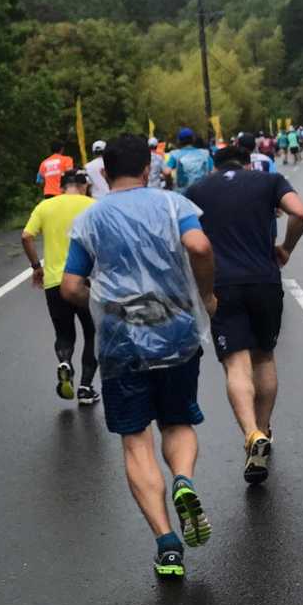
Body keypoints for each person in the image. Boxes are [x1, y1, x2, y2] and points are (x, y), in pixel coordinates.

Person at [61, 134, 217, 580]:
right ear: (148, 168)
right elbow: (200, 247)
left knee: (135, 439)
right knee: (177, 422)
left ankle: (167, 546)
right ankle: (183, 479)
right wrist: (206, 296)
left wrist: (101, 305)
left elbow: (70, 287)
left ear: (105, 173)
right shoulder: (173, 204)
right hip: (176, 332)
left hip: (120, 339)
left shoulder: (91, 218)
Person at [187, 145, 303, 485]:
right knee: (264, 357)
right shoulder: (269, 181)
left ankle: (251, 434)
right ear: (248, 162)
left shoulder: (196, 190)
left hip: (222, 284)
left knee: (236, 364)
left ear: (214, 165)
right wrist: (286, 248)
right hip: (264, 280)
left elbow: (187, 241)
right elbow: (300, 212)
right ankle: (265, 429)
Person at [22, 170, 100, 405]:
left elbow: (26, 236)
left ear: (61, 187)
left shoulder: (45, 206)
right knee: (93, 333)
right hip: (86, 282)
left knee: (64, 334)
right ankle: (85, 388)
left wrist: (36, 267)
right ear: (84, 186)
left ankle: (65, 362)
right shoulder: (93, 206)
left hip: (55, 282)